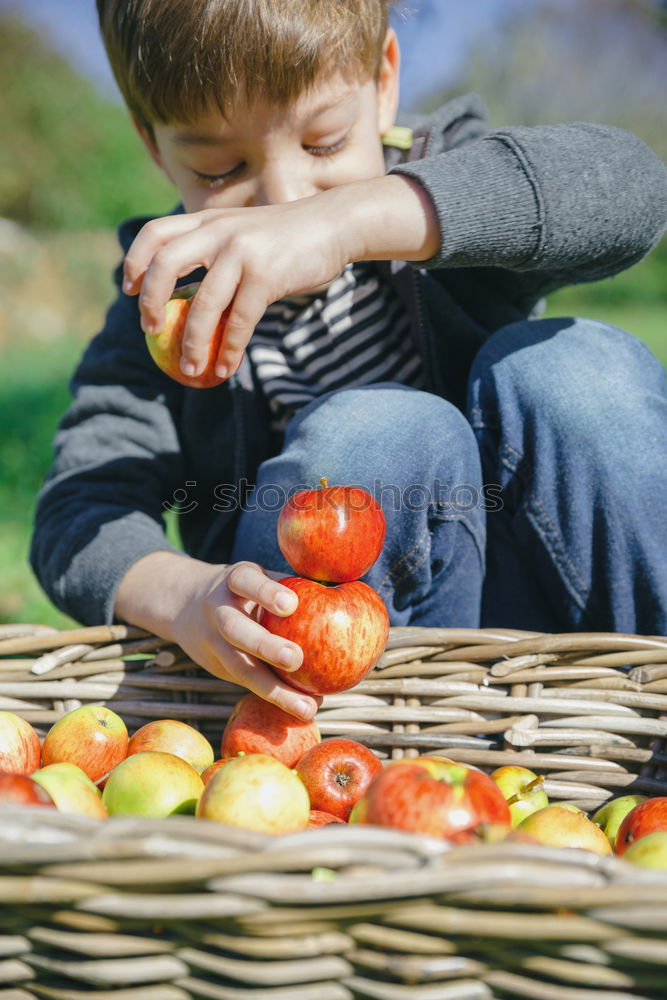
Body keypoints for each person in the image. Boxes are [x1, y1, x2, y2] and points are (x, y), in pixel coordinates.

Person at [31, 0, 667, 721]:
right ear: (155, 147)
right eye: (222, 167)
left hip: (552, 609)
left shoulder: (445, 185)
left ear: (383, 80)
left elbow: (629, 189)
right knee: (383, 427)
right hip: (343, 674)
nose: (283, 199)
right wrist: (183, 596)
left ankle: (650, 707)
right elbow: (79, 508)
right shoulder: (164, 300)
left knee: (573, 365)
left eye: (326, 143)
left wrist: (352, 221)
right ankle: (372, 745)